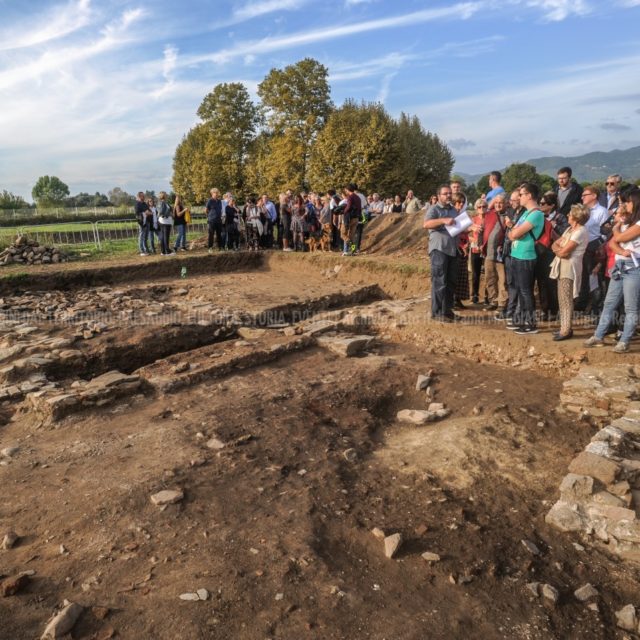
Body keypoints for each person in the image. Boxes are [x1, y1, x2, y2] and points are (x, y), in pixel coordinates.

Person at [584, 189, 640, 353]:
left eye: (627, 202)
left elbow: (620, 238)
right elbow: (612, 244)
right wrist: (621, 250)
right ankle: (598, 335)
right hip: (620, 266)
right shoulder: (627, 222)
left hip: (634, 268)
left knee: (631, 307)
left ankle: (624, 341)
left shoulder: (636, 224)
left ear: (635, 202)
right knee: (609, 303)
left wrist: (616, 228)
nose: (624, 205)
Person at [505, 182, 544, 335]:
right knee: (520, 290)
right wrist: (514, 232)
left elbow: (513, 233)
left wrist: (514, 232)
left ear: (529, 196)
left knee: (526, 291)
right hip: (517, 254)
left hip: (526, 256)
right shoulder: (525, 213)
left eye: (521, 194)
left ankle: (531, 323)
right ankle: (521, 319)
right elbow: (512, 232)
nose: (519, 197)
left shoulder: (536, 214)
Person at [549, 204, 589, 341]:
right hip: (563, 265)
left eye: (570, 214)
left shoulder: (580, 232)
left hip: (570, 267)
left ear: (576, 217)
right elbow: (555, 245)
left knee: (566, 299)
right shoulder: (570, 229)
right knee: (562, 298)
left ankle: (566, 330)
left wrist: (559, 249)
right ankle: (564, 328)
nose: (567, 216)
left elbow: (564, 251)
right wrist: (559, 250)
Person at [423, 184, 458, 322]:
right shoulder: (434, 209)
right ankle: (437, 313)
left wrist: (470, 228)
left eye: (450, 193)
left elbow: (457, 226)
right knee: (439, 281)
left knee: (450, 282)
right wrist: (443, 220)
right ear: (439, 196)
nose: (448, 195)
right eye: (445, 193)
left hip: (453, 249)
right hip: (439, 249)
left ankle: (447, 311)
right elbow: (426, 224)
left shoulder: (454, 210)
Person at [575, 185, 609, 312]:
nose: (582, 197)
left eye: (585, 195)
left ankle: (596, 307)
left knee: (594, 278)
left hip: (594, 246)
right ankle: (582, 303)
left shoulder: (602, 211)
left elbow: (605, 233)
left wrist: (599, 249)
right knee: (583, 277)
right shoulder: (585, 210)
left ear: (594, 196)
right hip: (583, 247)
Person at [481, 195, 506, 310]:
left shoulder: (509, 216)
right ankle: (493, 300)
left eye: (501, 202)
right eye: (496, 203)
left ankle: (502, 303)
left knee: (503, 279)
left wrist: (503, 246)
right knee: (490, 278)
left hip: (502, 255)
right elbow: (482, 230)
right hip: (489, 253)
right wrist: (481, 244)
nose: (498, 205)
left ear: (505, 204)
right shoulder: (489, 215)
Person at [452, 193, 470, 308]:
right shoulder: (451, 215)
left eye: (462, 202)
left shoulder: (463, 215)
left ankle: (458, 299)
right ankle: (453, 299)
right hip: (454, 248)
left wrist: (467, 243)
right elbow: (453, 233)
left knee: (462, 274)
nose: (461, 204)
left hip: (463, 247)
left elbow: (467, 232)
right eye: (459, 202)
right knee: (454, 274)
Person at [341, 184, 361, 256]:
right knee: (351, 236)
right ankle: (353, 251)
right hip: (356, 218)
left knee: (343, 234)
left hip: (349, 218)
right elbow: (359, 208)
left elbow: (348, 207)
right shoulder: (358, 197)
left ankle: (351, 246)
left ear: (348, 190)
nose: (345, 191)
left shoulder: (350, 197)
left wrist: (344, 211)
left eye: (345, 190)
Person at [206, 188, 223, 252]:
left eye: (217, 193)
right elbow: (206, 210)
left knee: (219, 234)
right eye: (215, 193)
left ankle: (220, 247)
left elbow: (220, 210)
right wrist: (210, 216)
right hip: (212, 220)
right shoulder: (209, 201)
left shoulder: (219, 201)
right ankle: (210, 248)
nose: (216, 194)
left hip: (219, 220)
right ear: (212, 193)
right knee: (211, 234)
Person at [157, 191, 173, 256]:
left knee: (163, 237)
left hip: (164, 221)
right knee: (166, 236)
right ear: (163, 196)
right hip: (165, 221)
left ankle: (163, 251)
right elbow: (161, 212)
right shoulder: (162, 203)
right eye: (166, 194)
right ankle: (167, 251)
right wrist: (166, 215)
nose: (167, 195)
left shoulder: (164, 203)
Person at [135, 191, 151, 256]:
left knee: (146, 237)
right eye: (142, 196)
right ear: (139, 196)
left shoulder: (145, 204)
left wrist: (147, 212)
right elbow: (137, 213)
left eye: (144, 195)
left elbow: (150, 212)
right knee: (141, 236)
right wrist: (145, 212)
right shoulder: (137, 204)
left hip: (147, 221)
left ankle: (146, 249)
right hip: (141, 222)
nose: (144, 197)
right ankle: (141, 251)